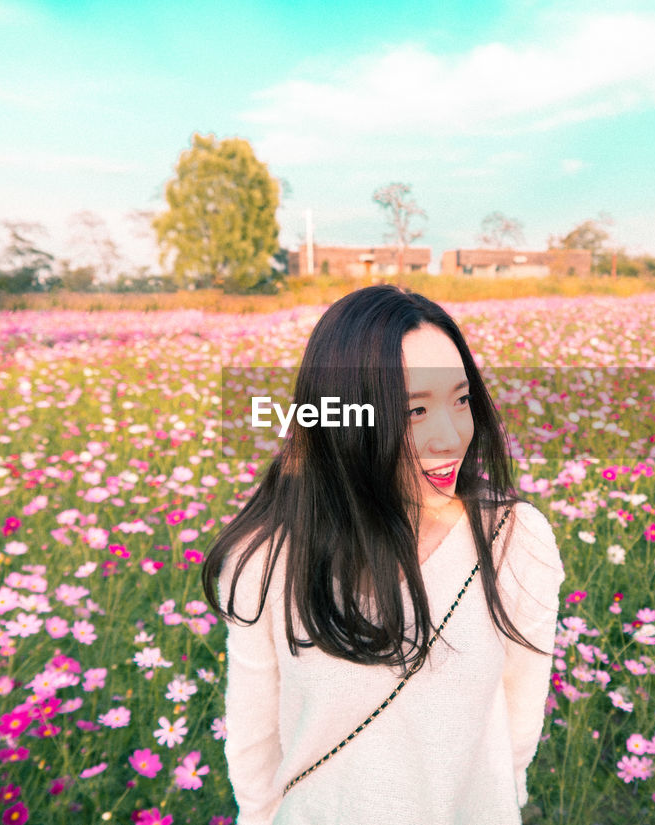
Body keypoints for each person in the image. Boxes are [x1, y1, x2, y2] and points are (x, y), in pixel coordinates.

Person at [202, 285, 566, 825]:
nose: (450, 437)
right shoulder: (267, 558)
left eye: (462, 400)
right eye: (414, 409)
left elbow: (518, 723)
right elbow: (255, 749)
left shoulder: (517, 541)